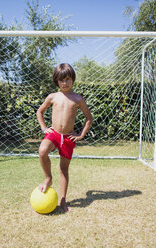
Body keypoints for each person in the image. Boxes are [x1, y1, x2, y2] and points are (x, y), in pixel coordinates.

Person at [36, 63, 93, 212]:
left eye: (67, 79)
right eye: (61, 80)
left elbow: (89, 118)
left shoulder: (77, 99)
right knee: (42, 151)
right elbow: (39, 112)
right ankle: (48, 178)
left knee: (64, 169)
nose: (65, 83)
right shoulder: (52, 97)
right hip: (53, 133)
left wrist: (81, 135)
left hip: (68, 137)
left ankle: (63, 200)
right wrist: (44, 128)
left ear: (72, 79)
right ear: (57, 81)